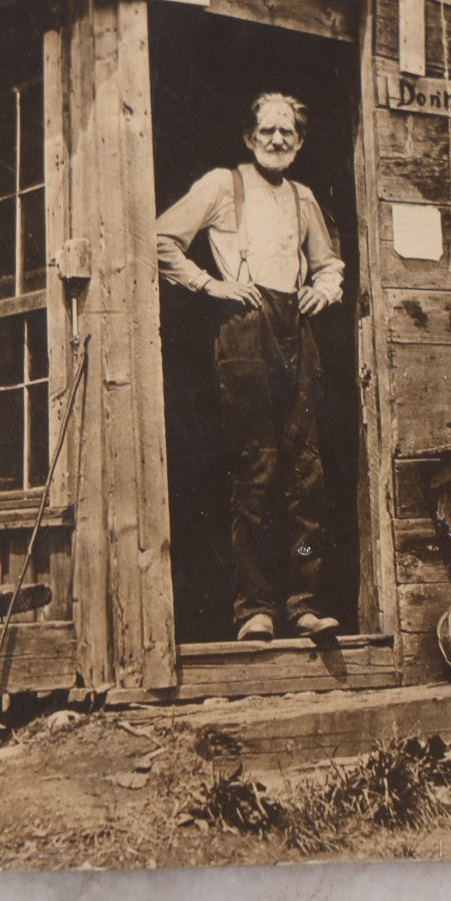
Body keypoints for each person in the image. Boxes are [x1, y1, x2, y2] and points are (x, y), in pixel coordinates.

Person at [156, 93, 345, 643]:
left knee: (306, 473)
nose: (278, 140)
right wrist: (210, 284)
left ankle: (304, 602)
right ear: (249, 137)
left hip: (295, 331)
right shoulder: (222, 185)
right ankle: (255, 607)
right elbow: (161, 238)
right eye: (268, 131)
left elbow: (330, 263)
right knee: (257, 471)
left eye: (288, 132)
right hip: (245, 328)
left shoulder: (302, 197)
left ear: (300, 142)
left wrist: (323, 289)